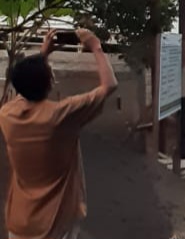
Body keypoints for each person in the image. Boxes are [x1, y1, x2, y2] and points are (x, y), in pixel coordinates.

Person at [0, 28, 118, 239]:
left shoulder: (7, 114)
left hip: (19, 222)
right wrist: (96, 46)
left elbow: (24, 88)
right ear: (49, 83)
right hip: (54, 225)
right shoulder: (61, 116)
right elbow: (109, 85)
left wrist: (42, 55)